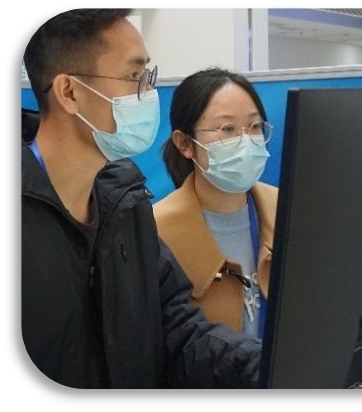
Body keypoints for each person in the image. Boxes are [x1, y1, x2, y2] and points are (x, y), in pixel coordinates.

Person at [22, 9, 262, 389]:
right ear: (69, 92)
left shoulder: (125, 204)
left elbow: (178, 330)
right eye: (134, 77)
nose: (149, 94)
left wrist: (267, 366)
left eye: (147, 77)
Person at [153, 68, 278, 339]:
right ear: (185, 143)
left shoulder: (286, 210)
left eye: (255, 127)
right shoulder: (155, 231)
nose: (246, 142)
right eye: (227, 129)